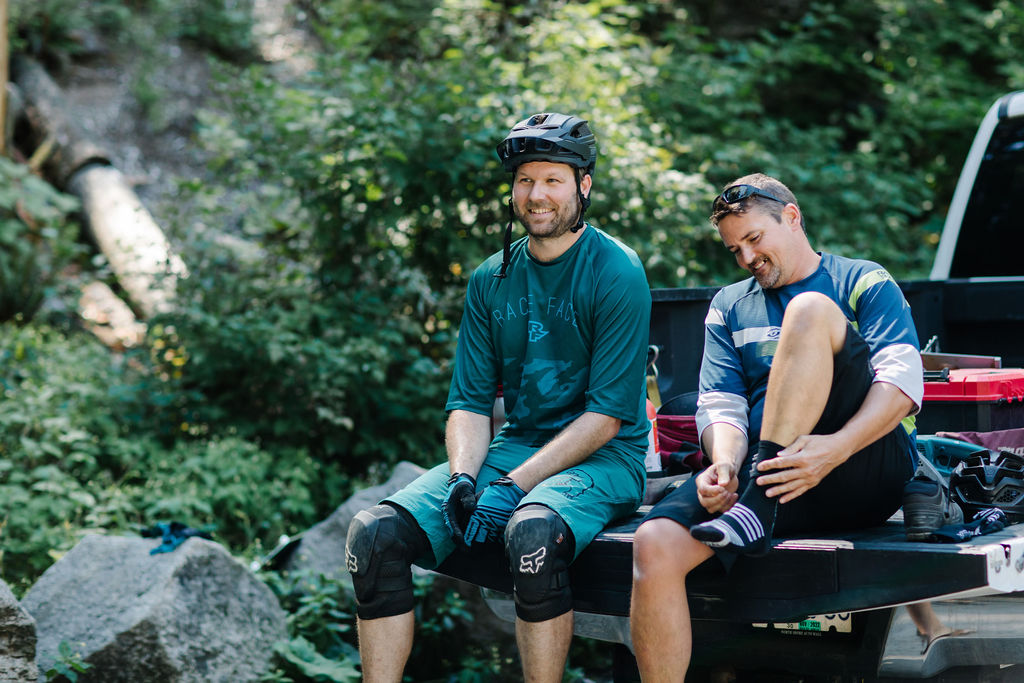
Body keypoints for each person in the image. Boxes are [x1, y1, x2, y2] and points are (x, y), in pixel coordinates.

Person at [345, 112, 652, 683]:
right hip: (513, 449)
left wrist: (513, 487)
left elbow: (608, 416)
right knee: (375, 537)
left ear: (584, 184)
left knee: (532, 535)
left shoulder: (616, 270)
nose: (536, 195)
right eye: (524, 180)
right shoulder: (492, 277)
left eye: (553, 179)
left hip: (606, 459)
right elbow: (469, 401)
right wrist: (466, 478)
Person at [629, 173, 924, 679]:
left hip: (861, 461)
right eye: (734, 249)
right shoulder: (728, 305)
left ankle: (756, 509)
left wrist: (834, 449)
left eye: (754, 239)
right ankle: (752, 507)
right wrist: (723, 464)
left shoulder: (862, 280)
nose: (746, 258)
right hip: (771, 478)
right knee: (652, 541)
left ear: (791, 217)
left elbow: (902, 384)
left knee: (810, 310)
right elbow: (721, 405)